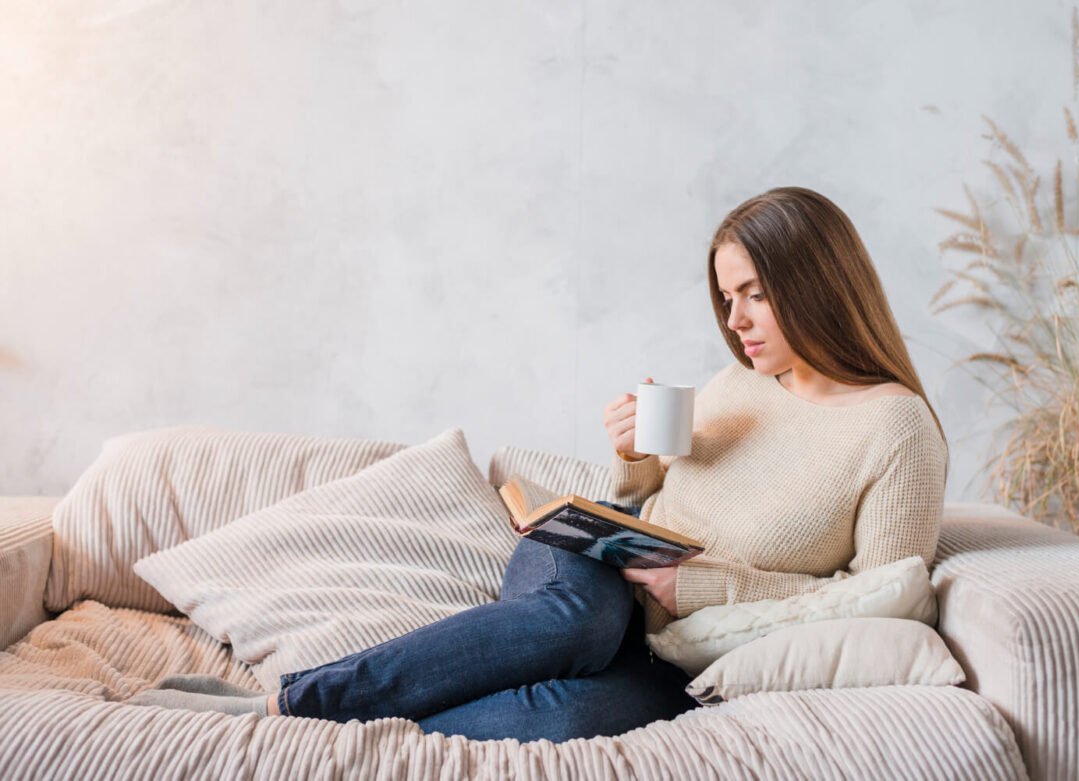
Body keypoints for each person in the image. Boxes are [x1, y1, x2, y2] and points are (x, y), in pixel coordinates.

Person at [129, 186, 948, 741]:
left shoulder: (895, 430)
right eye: (726, 296)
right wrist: (631, 462)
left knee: (565, 718)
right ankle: (288, 701)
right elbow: (658, 492)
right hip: (589, 572)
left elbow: (885, 601)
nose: (734, 322)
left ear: (816, 284)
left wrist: (697, 588)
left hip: (682, 642)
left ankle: (349, 724)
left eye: (753, 295)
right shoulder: (746, 379)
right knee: (577, 621)